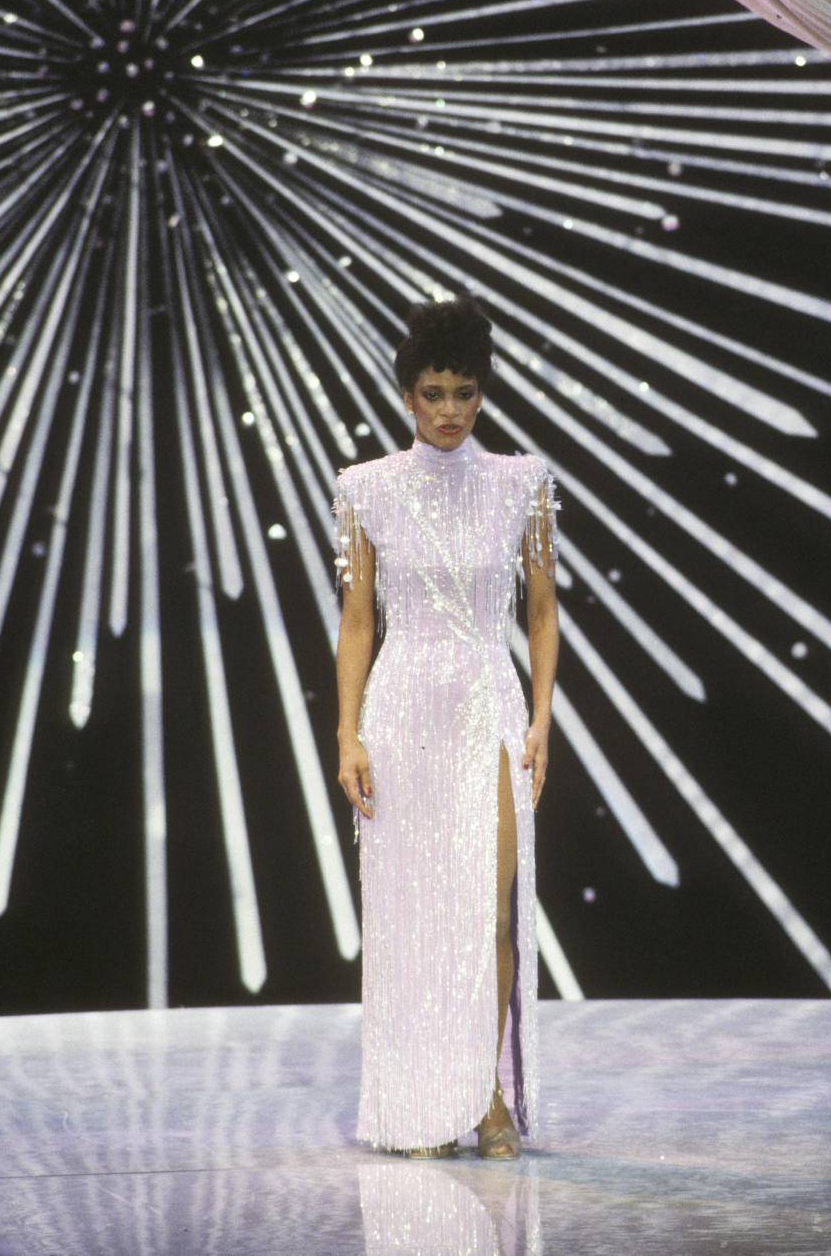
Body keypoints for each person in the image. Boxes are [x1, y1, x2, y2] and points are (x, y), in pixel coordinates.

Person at [334, 296, 559, 1159]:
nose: (451, 410)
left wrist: (539, 720)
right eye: (434, 392)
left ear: (482, 392)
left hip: (489, 708)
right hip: (399, 714)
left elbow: (541, 612)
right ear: (406, 396)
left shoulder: (522, 483)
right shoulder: (365, 490)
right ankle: (422, 1101)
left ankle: (487, 1094)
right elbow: (358, 622)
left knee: (488, 914)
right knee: (410, 916)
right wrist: (347, 735)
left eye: (465, 391)